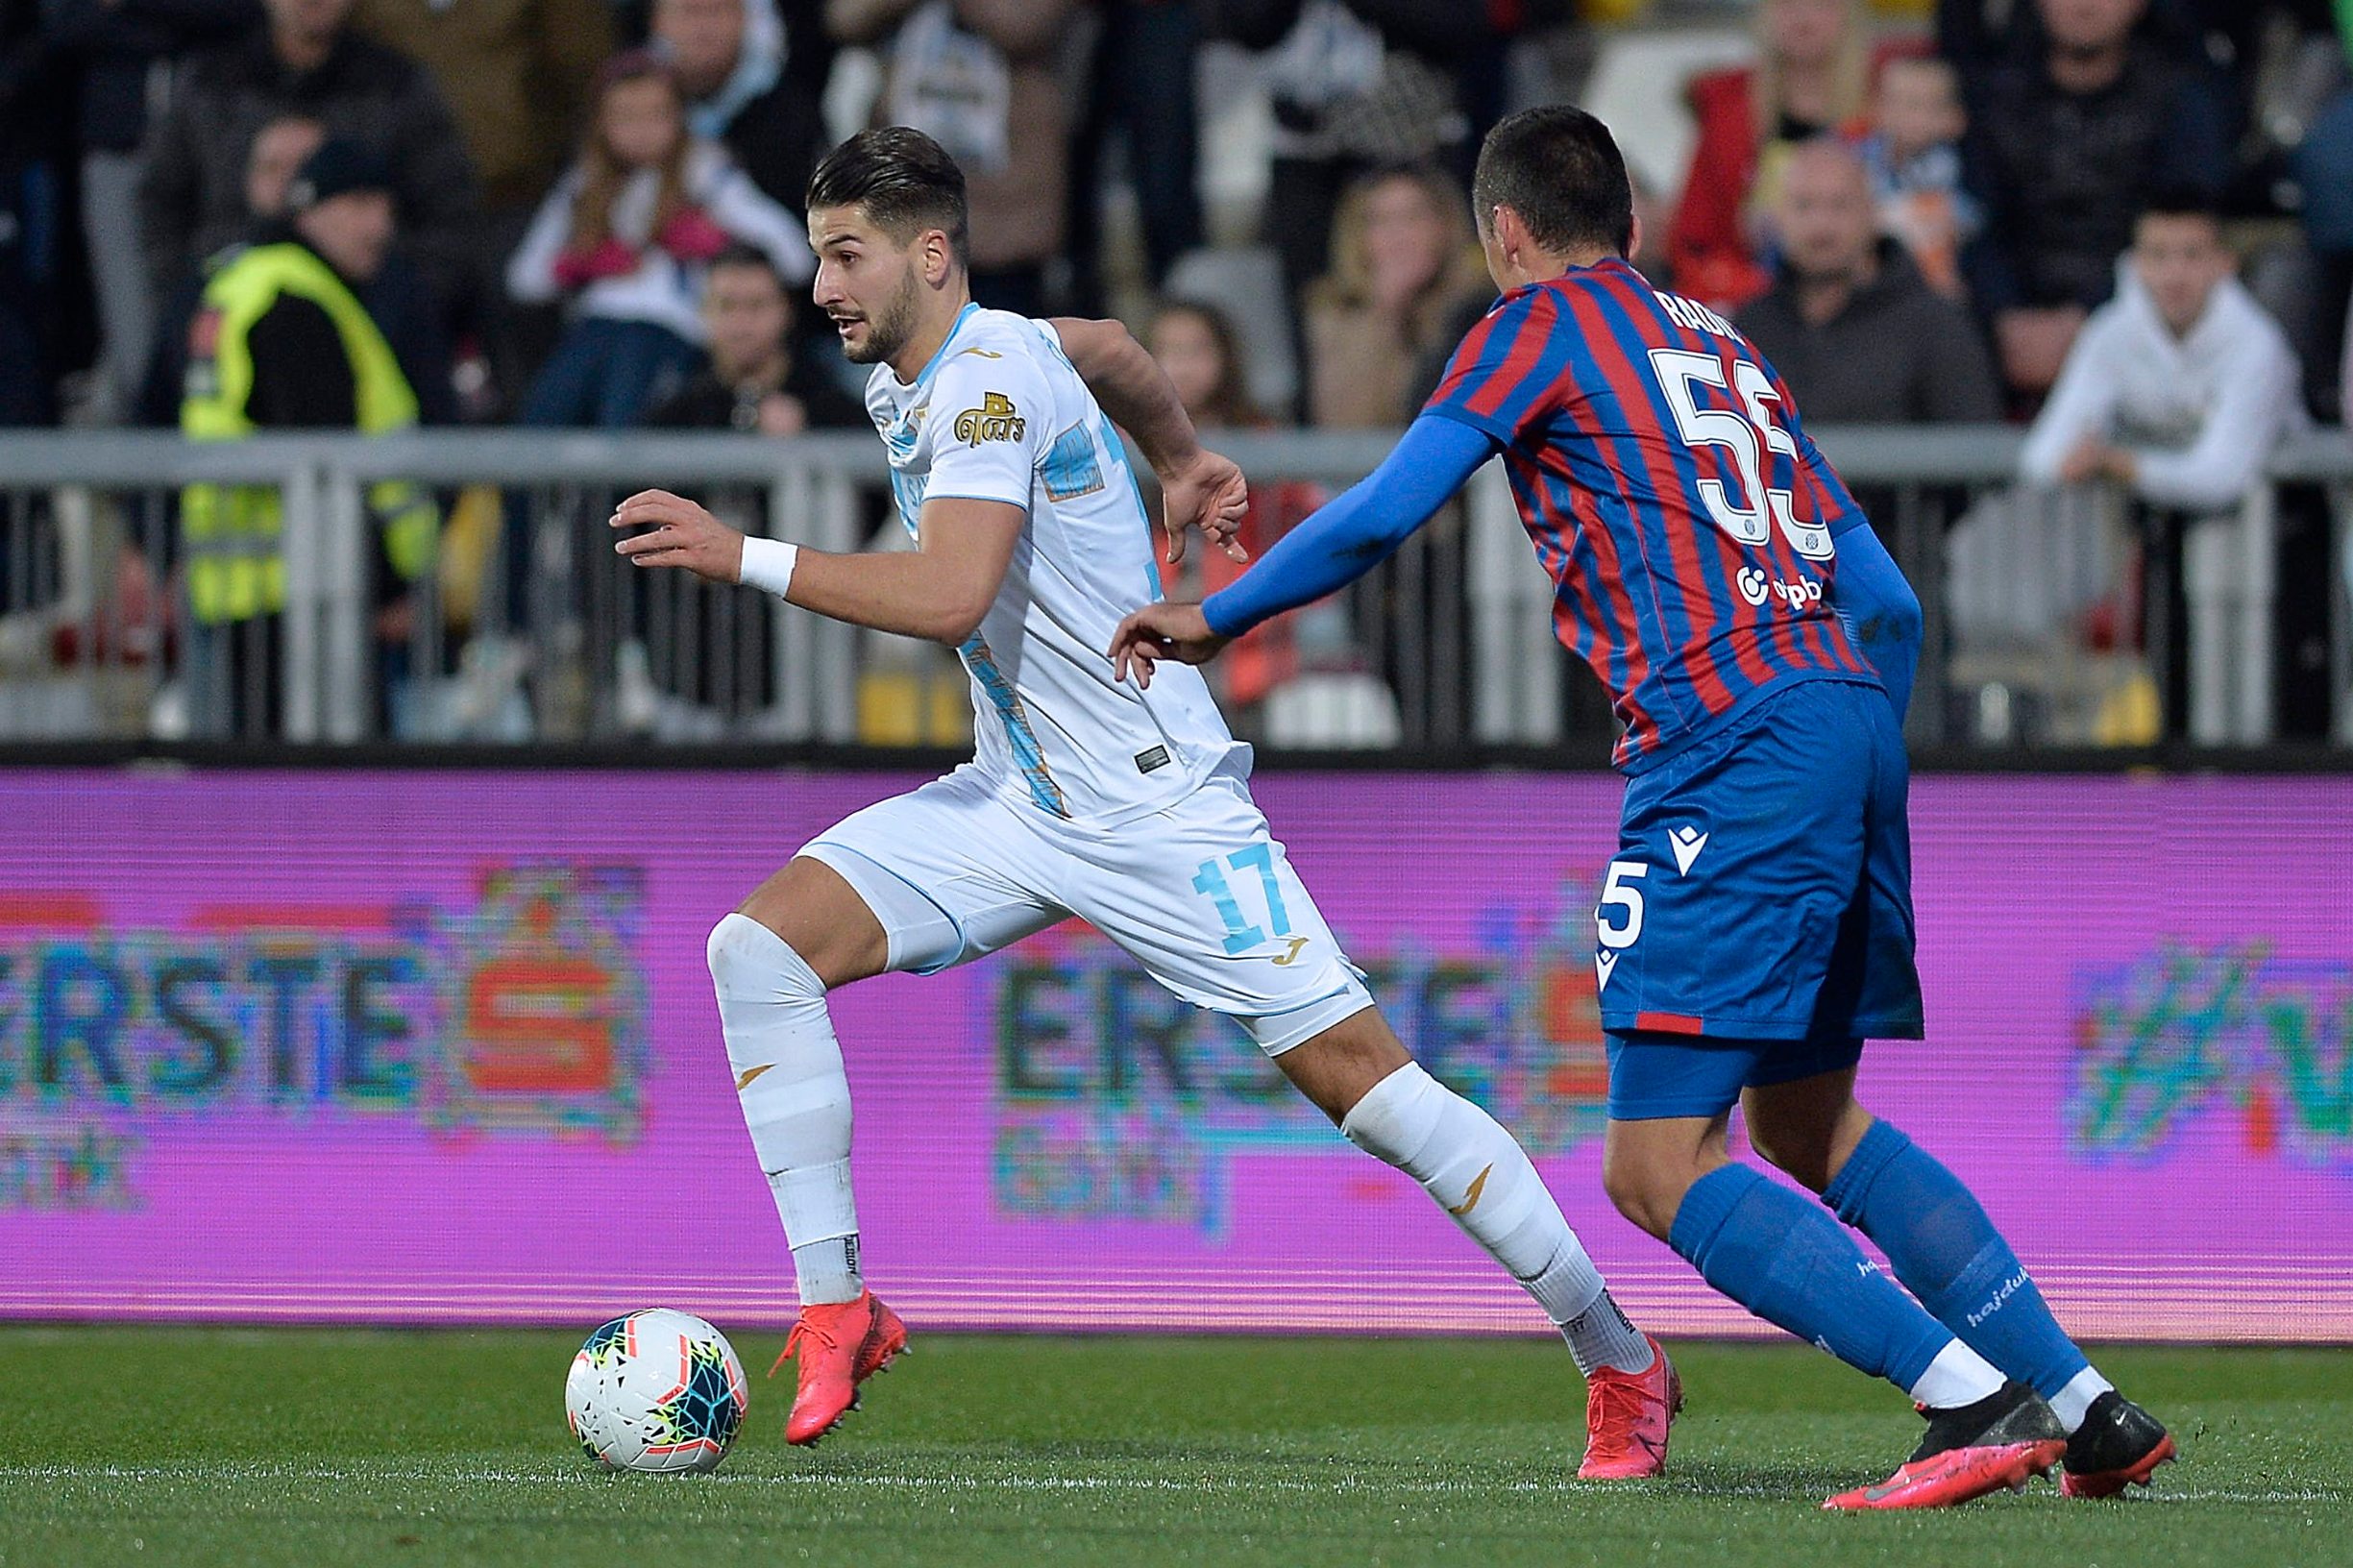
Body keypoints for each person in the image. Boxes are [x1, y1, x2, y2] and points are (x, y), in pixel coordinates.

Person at [1112, 105, 2177, 1510]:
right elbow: (1889, 601)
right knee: (1807, 1128)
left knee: (1655, 1162)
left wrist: (1216, 617)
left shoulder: (1535, 324)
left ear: (1503, 236)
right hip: (1847, 718)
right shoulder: (1719, 343)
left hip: (1728, 743)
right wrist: (1848, 744)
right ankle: (2091, 1409)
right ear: (1628, 220)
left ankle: (1967, 1395)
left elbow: (1384, 511)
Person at [608, 126, 1680, 1478]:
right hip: (1016, 801)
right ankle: (837, 1303)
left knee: (1372, 1091)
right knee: (756, 949)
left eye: (844, 254)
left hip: (1158, 810)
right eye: (820, 251)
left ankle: (1619, 1358)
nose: (823, 282)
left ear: (929, 254)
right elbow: (1111, 344)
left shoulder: (984, 382)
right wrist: (1179, 453)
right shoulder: (946, 349)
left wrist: (740, 553)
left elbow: (946, 593)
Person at [2019, 195, 2308, 742]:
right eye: (2159, 255)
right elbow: (2045, 457)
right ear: (2135, 261)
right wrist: (2107, 458)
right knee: (2175, 681)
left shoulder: (2257, 345)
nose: (2174, 275)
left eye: (2192, 255)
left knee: (2265, 689)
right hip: (2166, 544)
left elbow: (2223, 475)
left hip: (2280, 540)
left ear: (2224, 263)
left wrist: (2117, 461)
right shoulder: (2112, 333)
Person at [178, 138, 437, 737]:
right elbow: (329, 465)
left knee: (261, 798)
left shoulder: (239, 283)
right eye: (362, 204)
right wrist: (390, 586)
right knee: (336, 801)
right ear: (310, 211)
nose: (381, 225)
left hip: (245, 585)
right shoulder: (296, 300)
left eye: (388, 207)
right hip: (313, 594)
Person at [506, 50, 812, 429]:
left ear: (679, 117)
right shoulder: (584, 183)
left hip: (672, 332)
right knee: (542, 416)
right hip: (595, 328)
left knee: (628, 421)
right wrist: (579, 262)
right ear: (601, 123)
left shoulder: (705, 173)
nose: (642, 130)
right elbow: (523, 280)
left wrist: (718, 241)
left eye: (656, 114)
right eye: (626, 117)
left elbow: (795, 254)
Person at [136, 0, 481, 331]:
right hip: (228, 317)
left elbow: (449, 209)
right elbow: (160, 203)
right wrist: (185, 305)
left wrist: (403, 308)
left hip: (372, 323)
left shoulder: (395, 86)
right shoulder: (209, 84)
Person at [1958, 0, 2231, 401]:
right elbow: (1979, 225)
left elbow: (2183, 232)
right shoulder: (1991, 101)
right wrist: (2006, 316)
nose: (2084, 4)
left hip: (2139, 315)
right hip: (2001, 324)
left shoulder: (2181, 103)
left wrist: (2086, 319)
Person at [828, 0, 1077, 318]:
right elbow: (845, 19)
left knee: (999, 346)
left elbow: (1023, 24)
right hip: (906, 205)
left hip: (1002, 214)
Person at [1733, 138, 2000, 425]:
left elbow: (1974, 450)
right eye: (1804, 205)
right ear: (1779, 218)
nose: (1821, 225)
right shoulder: (1748, 331)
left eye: (1839, 205)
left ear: (1872, 214)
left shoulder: (1937, 327)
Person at [1666, 0, 1878, 311]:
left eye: (1821, 5)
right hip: (1751, 304)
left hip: (1870, 303)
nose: (1803, 16)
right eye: (1787, 4)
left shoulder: (1889, 107)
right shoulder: (1727, 112)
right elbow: (1694, 241)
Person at [1301, 164, 1493, 429]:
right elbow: (1343, 427)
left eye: (1414, 217)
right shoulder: (1330, 313)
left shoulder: (1482, 308)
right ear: (1358, 237)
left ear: (1445, 227)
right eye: (1381, 221)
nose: (1399, 236)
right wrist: (1386, 311)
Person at [651, 0, 833, 219]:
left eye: (716, 11)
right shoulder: (632, 102)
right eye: (690, 12)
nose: (703, 27)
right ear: (658, 23)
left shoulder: (791, 111)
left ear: (745, 19)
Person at [1854, 56, 1980, 299]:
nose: (1910, 115)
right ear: (1875, 108)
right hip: (1871, 285)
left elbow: (1972, 221)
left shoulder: (1962, 168)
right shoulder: (1857, 161)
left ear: (1956, 118)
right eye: (1899, 102)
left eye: (1925, 105)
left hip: (1934, 289)